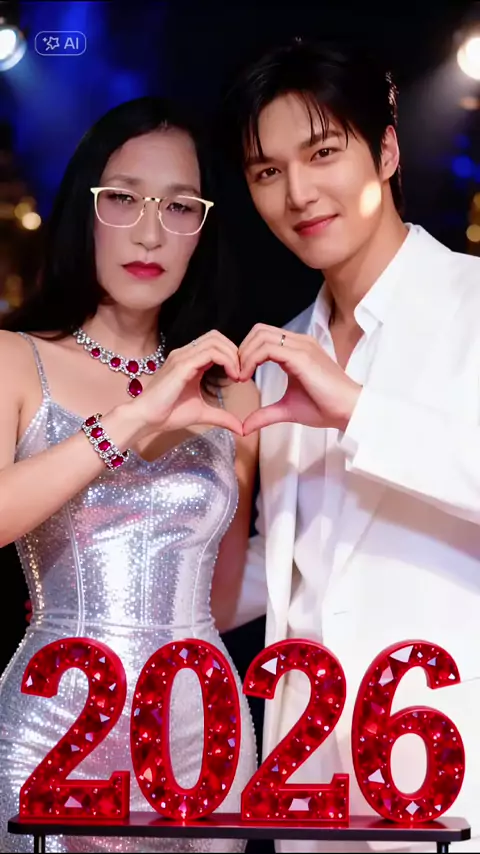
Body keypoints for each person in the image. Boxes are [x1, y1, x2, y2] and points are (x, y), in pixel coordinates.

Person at [220, 37, 480, 853]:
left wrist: (356, 410)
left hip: (453, 768)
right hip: (313, 788)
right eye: (267, 171)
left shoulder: (472, 304)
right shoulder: (281, 352)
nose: (298, 193)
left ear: (387, 151)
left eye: (323, 153)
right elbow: (304, 565)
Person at [0, 96, 258, 853]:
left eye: (179, 207)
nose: (150, 232)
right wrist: (134, 419)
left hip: (203, 741)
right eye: (123, 198)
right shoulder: (17, 359)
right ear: (85, 210)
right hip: (52, 733)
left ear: (203, 229)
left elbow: (226, 593)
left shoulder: (230, 392)